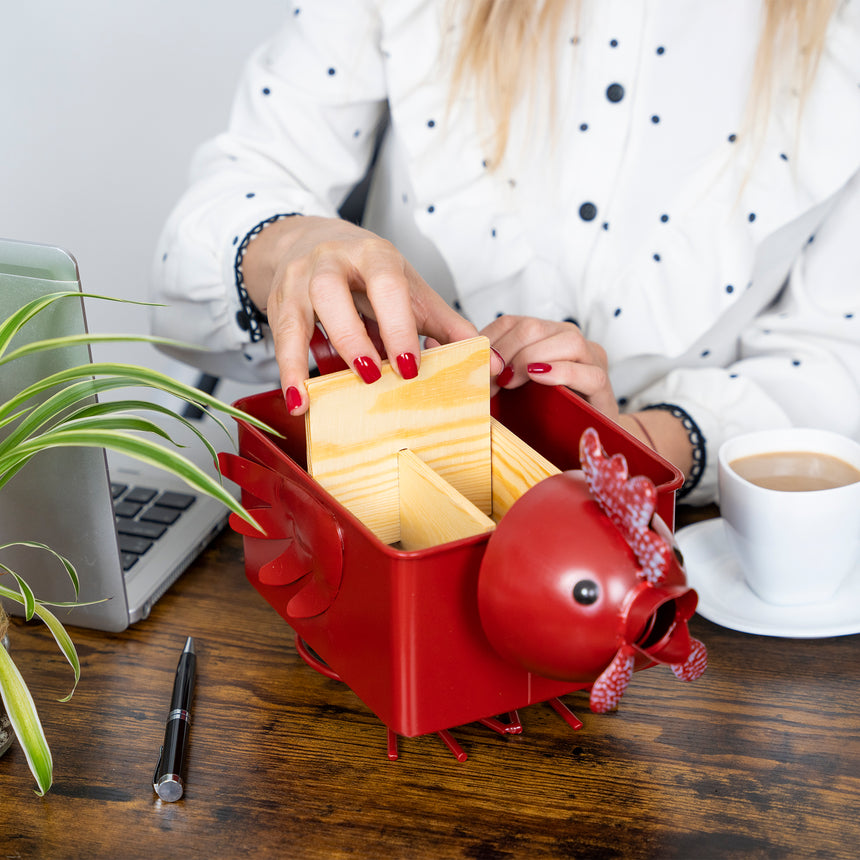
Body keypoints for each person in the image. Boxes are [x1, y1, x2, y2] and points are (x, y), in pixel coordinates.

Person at [151, 0, 860, 505]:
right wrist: (295, 245)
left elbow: (833, 352)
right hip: (353, 503)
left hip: (673, 552)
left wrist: (637, 440)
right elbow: (248, 174)